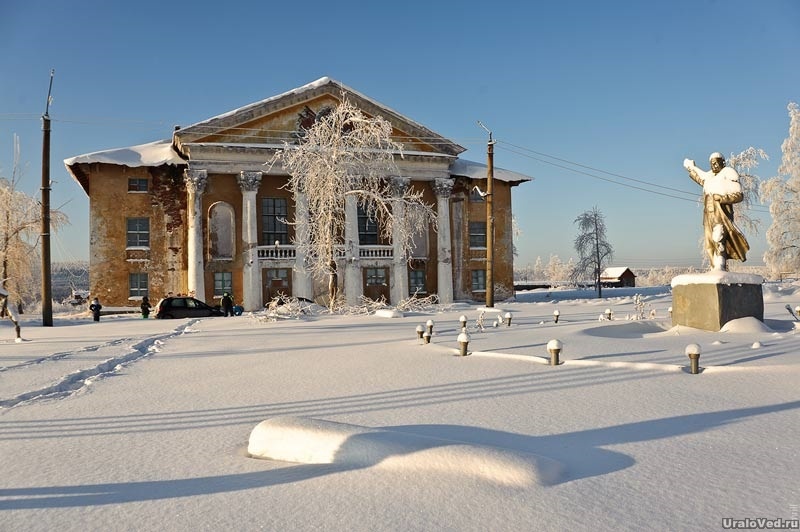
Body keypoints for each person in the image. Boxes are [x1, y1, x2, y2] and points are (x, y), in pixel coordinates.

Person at [683, 152, 749, 270]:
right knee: (710, 244)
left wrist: (723, 198)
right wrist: (691, 168)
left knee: (719, 239)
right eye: (712, 163)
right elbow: (700, 177)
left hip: (721, 215)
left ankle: (720, 267)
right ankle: (715, 268)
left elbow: (739, 195)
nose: (714, 166)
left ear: (722, 162)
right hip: (708, 216)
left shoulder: (728, 173)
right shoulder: (709, 177)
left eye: (716, 163)